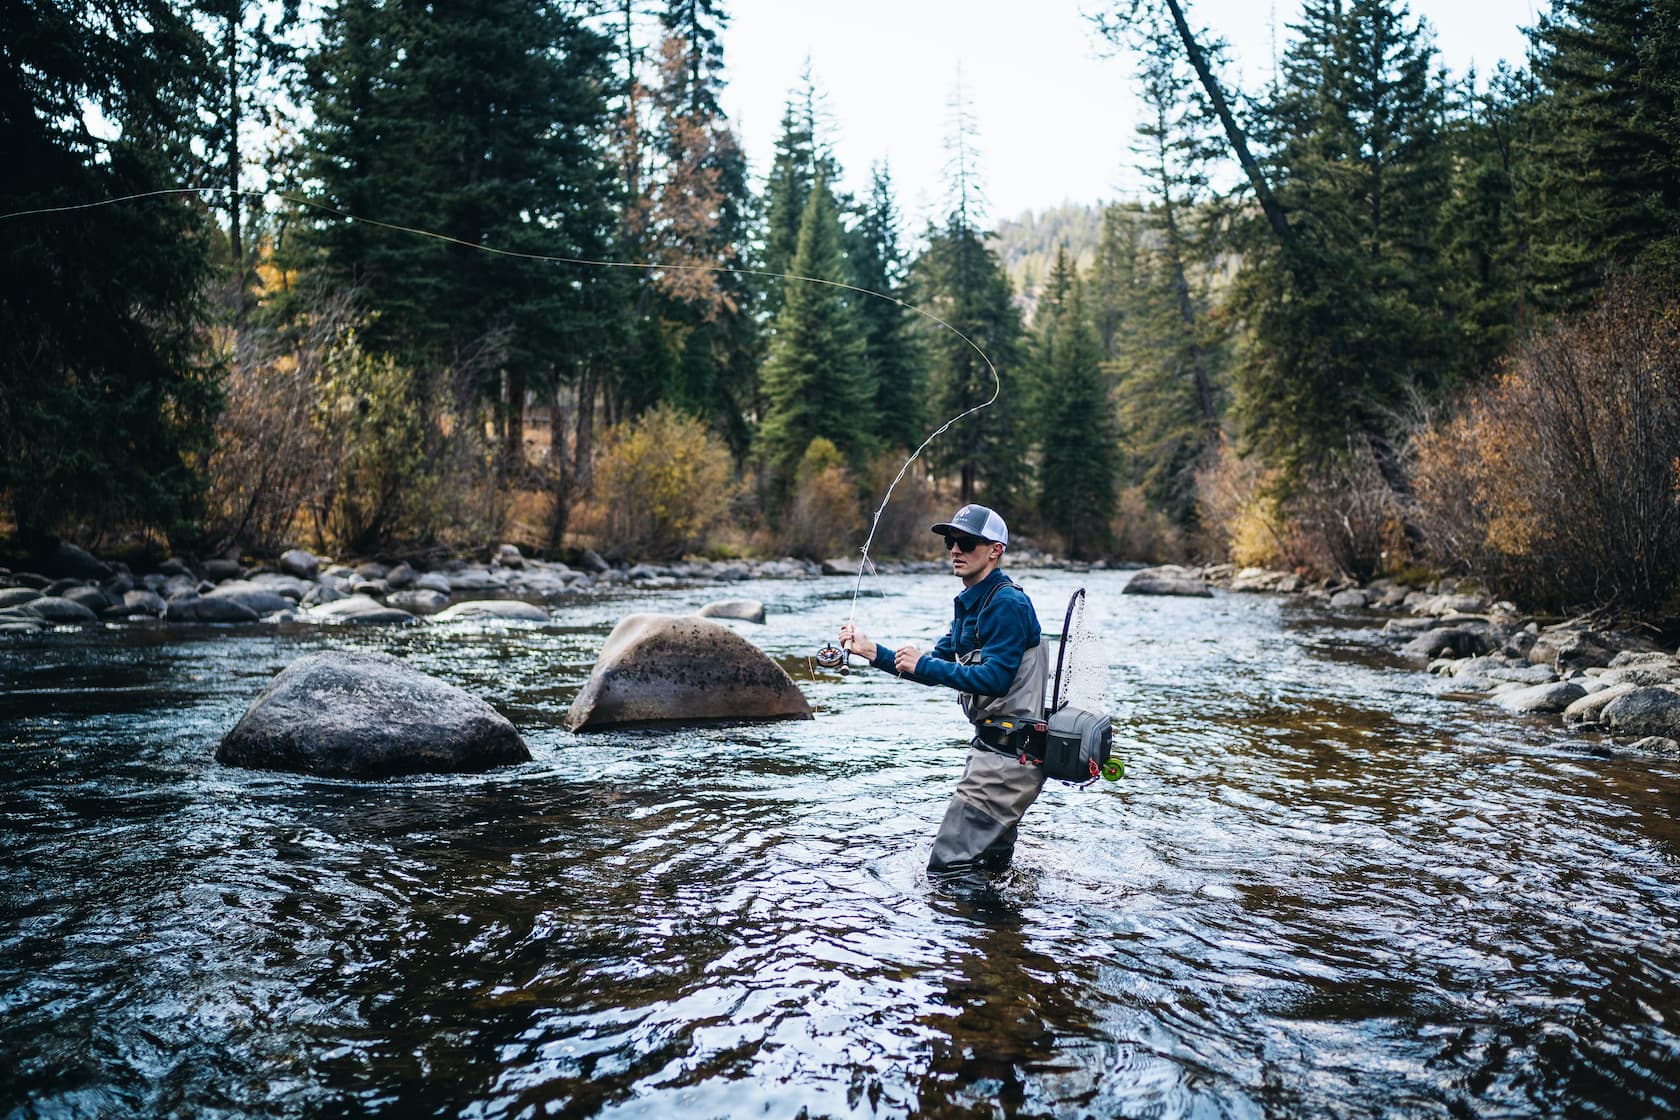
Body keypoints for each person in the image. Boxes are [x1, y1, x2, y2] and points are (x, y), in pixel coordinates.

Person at [839, 503, 1048, 887]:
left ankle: (975, 943)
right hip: (994, 753)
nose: (955, 549)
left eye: (966, 542)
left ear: (995, 550)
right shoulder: (971, 604)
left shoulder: (1007, 604)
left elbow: (995, 678)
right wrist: (870, 651)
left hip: (1008, 761)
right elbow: (932, 667)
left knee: (947, 868)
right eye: (951, 541)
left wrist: (925, 665)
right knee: (990, 868)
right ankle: (1000, 940)